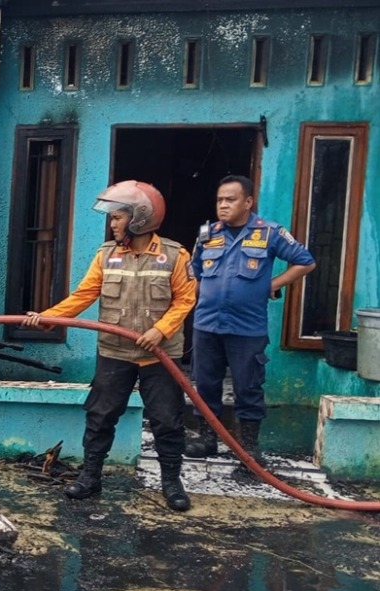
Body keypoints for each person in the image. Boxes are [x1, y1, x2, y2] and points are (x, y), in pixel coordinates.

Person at [23, 181, 197, 512]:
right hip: (115, 353)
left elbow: (186, 299)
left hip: (159, 357)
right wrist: (46, 318)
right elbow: (83, 295)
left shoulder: (174, 256)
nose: (113, 223)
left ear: (140, 218)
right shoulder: (107, 255)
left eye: (118, 217)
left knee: (167, 421)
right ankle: (90, 478)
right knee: (100, 416)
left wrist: (160, 331)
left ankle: (172, 483)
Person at [184, 175, 316, 467]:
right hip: (206, 325)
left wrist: (273, 283)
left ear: (247, 202)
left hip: (247, 328)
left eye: (230, 199)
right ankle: (207, 439)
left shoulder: (269, 232)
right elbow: (193, 270)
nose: (223, 205)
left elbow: (305, 261)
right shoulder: (208, 233)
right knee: (205, 385)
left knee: (248, 387)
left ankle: (248, 448)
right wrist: (201, 295)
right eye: (220, 200)